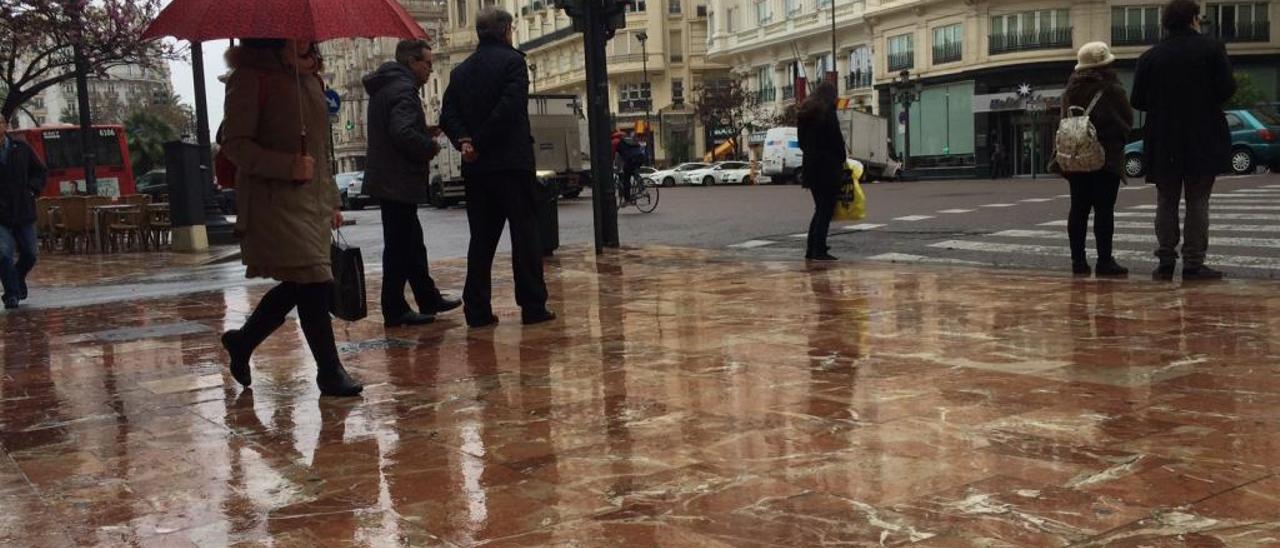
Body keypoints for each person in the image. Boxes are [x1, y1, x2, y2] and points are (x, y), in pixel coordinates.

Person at [218, 38, 362, 397]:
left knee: (306, 281)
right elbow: (235, 144)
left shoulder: (312, 77)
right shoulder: (250, 76)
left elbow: (320, 150)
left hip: (310, 199)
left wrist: (331, 200)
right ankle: (329, 372)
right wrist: (286, 166)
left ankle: (243, 341)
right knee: (314, 280)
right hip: (274, 198)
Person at [440, 8, 555, 328]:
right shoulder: (513, 62)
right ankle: (532, 305)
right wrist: (479, 141)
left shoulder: (461, 72)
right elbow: (510, 108)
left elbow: (446, 114)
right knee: (525, 236)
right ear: (505, 31)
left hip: (477, 170)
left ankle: (476, 309)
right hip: (511, 164)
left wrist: (465, 142)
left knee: (481, 241)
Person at [1131, 0, 1236, 281]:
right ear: (1193, 19)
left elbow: (1137, 100)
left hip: (1164, 138)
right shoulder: (1212, 49)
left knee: (1166, 199)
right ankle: (1193, 262)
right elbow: (1227, 89)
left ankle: (1165, 261)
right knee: (1198, 199)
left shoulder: (1150, 57)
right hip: (1203, 136)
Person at [363, 39, 461, 327]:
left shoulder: (387, 87)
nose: (430, 69)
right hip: (397, 179)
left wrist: (422, 129)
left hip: (390, 178)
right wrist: (429, 144)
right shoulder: (403, 90)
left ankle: (427, 296)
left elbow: (399, 127)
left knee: (411, 243)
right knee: (399, 247)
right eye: (427, 63)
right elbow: (402, 132)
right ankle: (394, 308)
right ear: (411, 63)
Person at [1058, 42, 1134, 277]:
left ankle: (1078, 262)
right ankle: (1104, 261)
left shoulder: (1070, 89)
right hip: (1105, 156)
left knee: (1078, 208)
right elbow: (1125, 120)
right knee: (1103, 210)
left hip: (1075, 157)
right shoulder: (1112, 88)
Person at [797, 81, 848, 261]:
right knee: (825, 210)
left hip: (811, 166)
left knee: (820, 208)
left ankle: (812, 248)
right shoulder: (827, 111)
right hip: (828, 167)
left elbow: (802, 143)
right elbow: (836, 138)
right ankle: (819, 249)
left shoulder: (804, 113)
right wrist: (842, 158)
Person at [0, 116, 46, 310]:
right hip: (0, 215)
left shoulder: (22, 148)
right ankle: (12, 294)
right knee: (3, 254)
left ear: (5, 126)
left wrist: (32, 189)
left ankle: (17, 279)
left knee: (30, 253)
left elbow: (40, 171)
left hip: (23, 211)